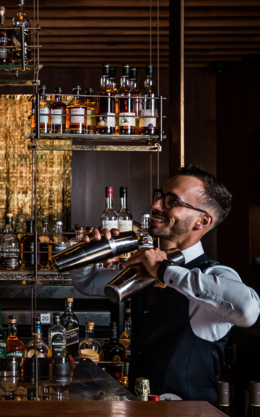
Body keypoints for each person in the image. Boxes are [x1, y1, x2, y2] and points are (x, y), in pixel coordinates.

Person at [71, 164, 260, 404]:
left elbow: (249, 310)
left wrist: (165, 270)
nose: (156, 206)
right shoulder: (147, 265)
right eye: (160, 196)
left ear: (202, 220)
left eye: (172, 201)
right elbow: (88, 283)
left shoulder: (214, 275)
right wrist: (87, 256)